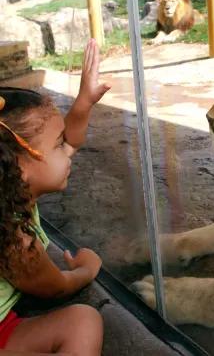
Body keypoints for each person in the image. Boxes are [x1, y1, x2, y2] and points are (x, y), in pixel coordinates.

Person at [0, 39, 111, 355]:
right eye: (59, 145)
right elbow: (55, 287)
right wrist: (86, 270)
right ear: (18, 165)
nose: (70, 151)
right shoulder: (13, 237)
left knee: (80, 323)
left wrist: (84, 102)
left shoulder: (9, 191)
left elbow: (72, 140)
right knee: (84, 321)